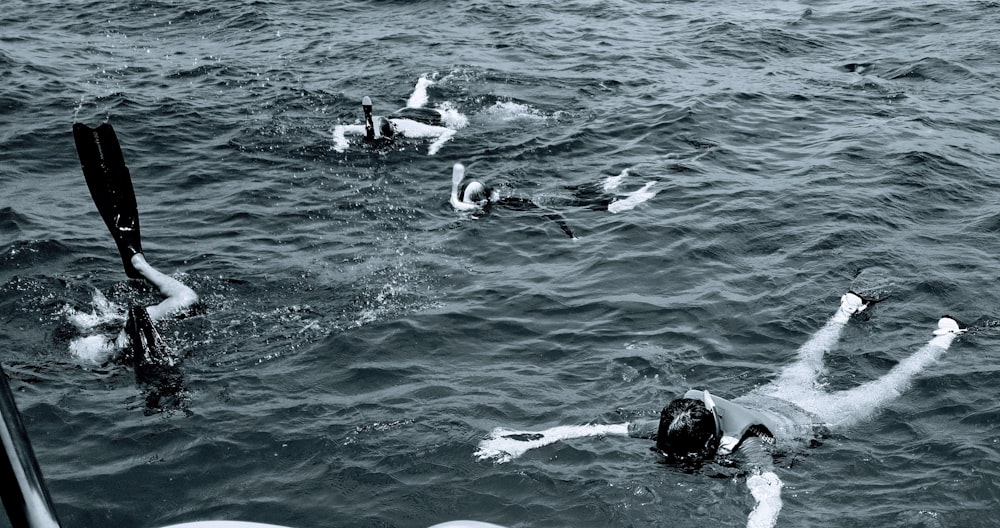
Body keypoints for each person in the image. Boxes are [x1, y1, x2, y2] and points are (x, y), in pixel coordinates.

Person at [474, 291, 967, 528]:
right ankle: (846, 310)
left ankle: (944, 339)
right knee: (807, 357)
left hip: (816, 419)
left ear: (709, 440)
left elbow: (768, 493)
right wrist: (531, 440)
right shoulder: (677, 425)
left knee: (889, 384)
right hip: (771, 399)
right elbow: (597, 429)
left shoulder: (751, 447)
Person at [72, 122, 199, 412]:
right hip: (127, 335)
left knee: (92, 347)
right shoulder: (152, 342)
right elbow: (185, 301)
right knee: (188, 301)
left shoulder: (113, 352)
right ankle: (137, 263)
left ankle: (137, 264)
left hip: (113, 344)